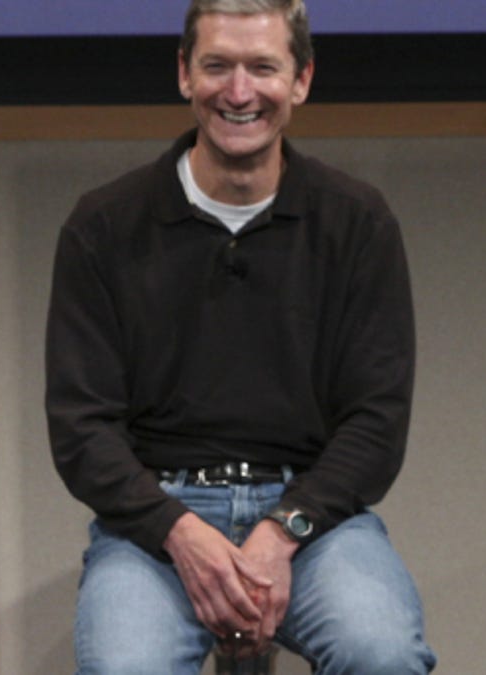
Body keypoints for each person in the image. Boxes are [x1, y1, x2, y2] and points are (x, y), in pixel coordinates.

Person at [44, 1, 435, 672]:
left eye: (263, 68)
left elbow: (376, 421)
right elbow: (82, 429)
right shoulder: (104, 225)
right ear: (184, 74)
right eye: (217, 66)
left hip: (312, 521)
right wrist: (180, 533)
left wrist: (282, 533)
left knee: (383, 654)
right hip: (157, 523)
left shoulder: (357, 222)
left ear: (302, 79)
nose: (239, 91)